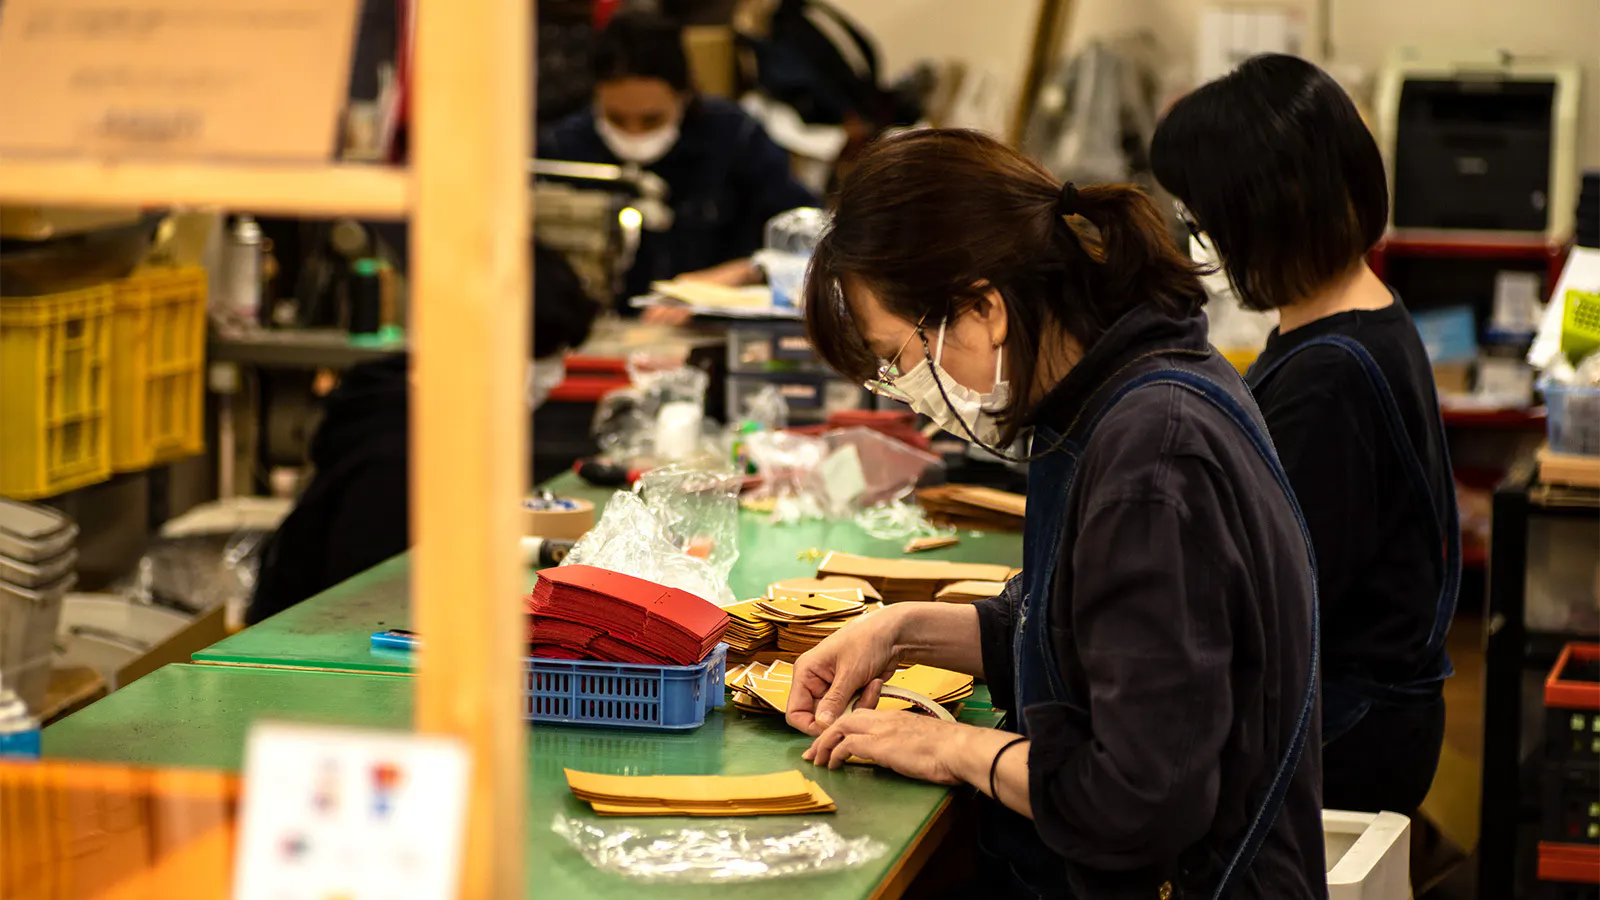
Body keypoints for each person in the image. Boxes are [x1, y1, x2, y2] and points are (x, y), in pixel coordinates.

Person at [787, 128, 1326, 899]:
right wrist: (898, 632)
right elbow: (1077, 629)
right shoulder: (1102, 392)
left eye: (898, 356)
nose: (904, 388)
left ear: (983, 310)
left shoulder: (1151, 459)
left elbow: (1138, 803)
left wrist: (952, 749)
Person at [1152, 54, 1458, 818]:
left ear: (1266, 218)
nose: (1199, 243)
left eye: (1203, 222)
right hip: (1367, 710)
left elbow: (1271, 600)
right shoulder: (1358, 317)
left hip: (1346, 733)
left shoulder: (1330, 376)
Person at [248, 245, 595, 625]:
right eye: (545, 356)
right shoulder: (398, 453)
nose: (556, 375)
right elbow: (366, 609)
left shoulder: (437, 411)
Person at [539, 12, 818, 319]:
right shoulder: (561, 151)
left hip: (716, 327)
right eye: (616, 119)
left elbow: (812, 238)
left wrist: (745, 272)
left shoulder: (735, 139)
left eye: (651, 120)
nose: (634, 133)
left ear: (684, 96)